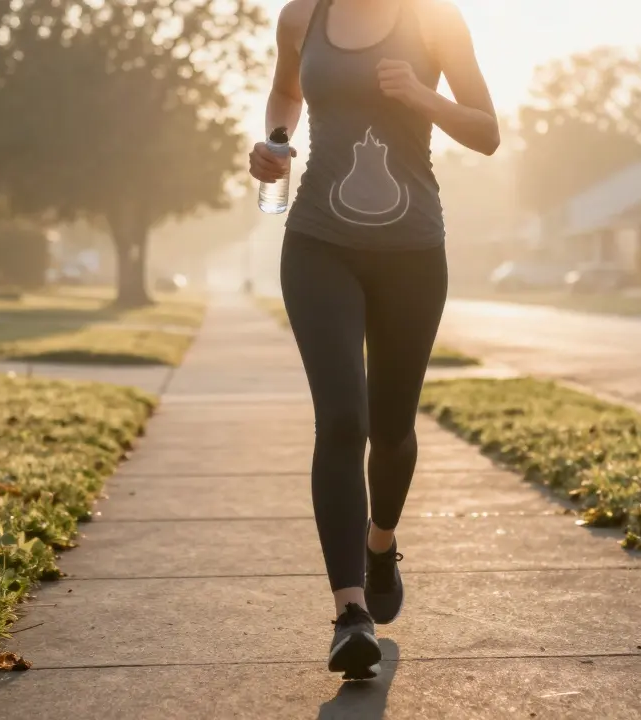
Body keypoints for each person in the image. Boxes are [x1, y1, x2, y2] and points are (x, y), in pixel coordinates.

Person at [249, 0, 498, 680]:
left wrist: (422, 95)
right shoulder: (302, 16)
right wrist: (275, 140)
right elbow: (286, 90)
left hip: (412, 252)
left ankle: (380, 542)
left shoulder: (436, 21)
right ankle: (350, 613)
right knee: (341, 421)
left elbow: (487, 132)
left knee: (391, 431)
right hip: (317, 244)